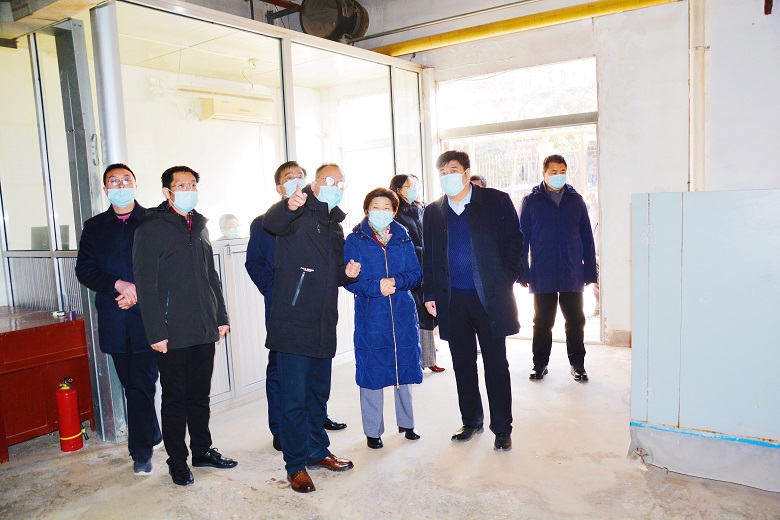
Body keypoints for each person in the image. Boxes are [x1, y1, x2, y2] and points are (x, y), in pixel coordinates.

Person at [133, 165, 238, 487]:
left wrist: (220, 316)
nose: (188, 190)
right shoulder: (150, 229)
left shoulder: (200, 226)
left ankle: (202, 450)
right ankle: (177, 460)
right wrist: (156, 331)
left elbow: (211, 277)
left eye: (193, 184)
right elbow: (145, 285)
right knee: (175, 400)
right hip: (171, 331)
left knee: (200, 396)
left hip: (203, 326)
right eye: (181, 185)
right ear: (167, 192)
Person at [263, 163, 361, 493]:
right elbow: (272, 223)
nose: (335, 186)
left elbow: (333, 273)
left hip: (323, 322)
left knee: (318, 395)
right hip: (292, 323)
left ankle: (317, 451)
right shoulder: (296, 212)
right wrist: (290, 204)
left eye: (341, 183)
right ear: (314, 185)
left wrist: (347, 273)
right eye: (329, 180)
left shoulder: (334, 225)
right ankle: (295, 465)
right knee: (294, 399)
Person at [422, 150, 523, 452]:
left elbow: (516, 241)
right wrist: (430, 294)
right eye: (442, 172)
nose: (447, 176)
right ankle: (471, 421)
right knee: (463, 365)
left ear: (467, 172)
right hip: (453, 301)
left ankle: (502, 428)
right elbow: (429, 256)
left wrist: (505, 278)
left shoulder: (496, 201)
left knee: (496, 365)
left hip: (488, 298)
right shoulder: (433, 211)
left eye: (452, 170)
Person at [245, 161, 348, 454]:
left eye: (300, 176)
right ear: (280, 188)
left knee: (314, 382)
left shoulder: (328, 222)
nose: (297, 182)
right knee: (284, 376)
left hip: (318, 312)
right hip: (284, 307)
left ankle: (315, 439)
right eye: (290, 178)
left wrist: (347, 273)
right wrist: (276, 289)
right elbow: (256, 260)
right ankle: (283, 432)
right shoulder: (273, 218)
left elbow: (332, 268)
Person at [75, 163, 161, 476]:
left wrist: (138, 291)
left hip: (149, 318)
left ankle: (141, 452)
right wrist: (118, 285)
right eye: (113, 181)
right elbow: (85, 269)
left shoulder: (153, 221)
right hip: (114, 316)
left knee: (141, 385)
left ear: (135, 185)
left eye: (126, 179)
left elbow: (165, 266)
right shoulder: (95, 227)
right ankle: (152, 433)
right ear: (105, 189)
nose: (120, 185)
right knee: (132, 385)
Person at [345, 187, 423, 450]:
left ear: (394, 211)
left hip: (402, 311)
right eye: (375, 207)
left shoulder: (403, 237)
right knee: (372, 371)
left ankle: (407, 423)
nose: (381, 212)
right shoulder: (355, 239)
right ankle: (373, 430)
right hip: (371, 313)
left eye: (386, 207)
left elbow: (416, 273)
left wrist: (396, 281)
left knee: (404, 366)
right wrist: (375, 287)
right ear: (367, 210)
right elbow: (350, 279)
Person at [519, 154, 597, 383]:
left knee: (576, 320)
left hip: (571, 270)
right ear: (544, 174)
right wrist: (522, 270)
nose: (558, 176)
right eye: (553, 172)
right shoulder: (531, 201)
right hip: (543, 271)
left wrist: (589, 271)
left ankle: (578, 365)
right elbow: (522, 238)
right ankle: (539, 364)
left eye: (562, 171)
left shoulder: (576, 200)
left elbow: (587, 237)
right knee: (543, 321)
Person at [389, 174, 443, 373]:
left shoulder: (422, 208)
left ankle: (428, 359)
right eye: (409, 186)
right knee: (414, 316)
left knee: (427, 316)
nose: (414, 189)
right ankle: (415, 361)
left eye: (416, 185)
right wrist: (423, 252)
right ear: (398, 190)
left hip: (426, 268)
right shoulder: (396, 213)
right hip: (408, 271)